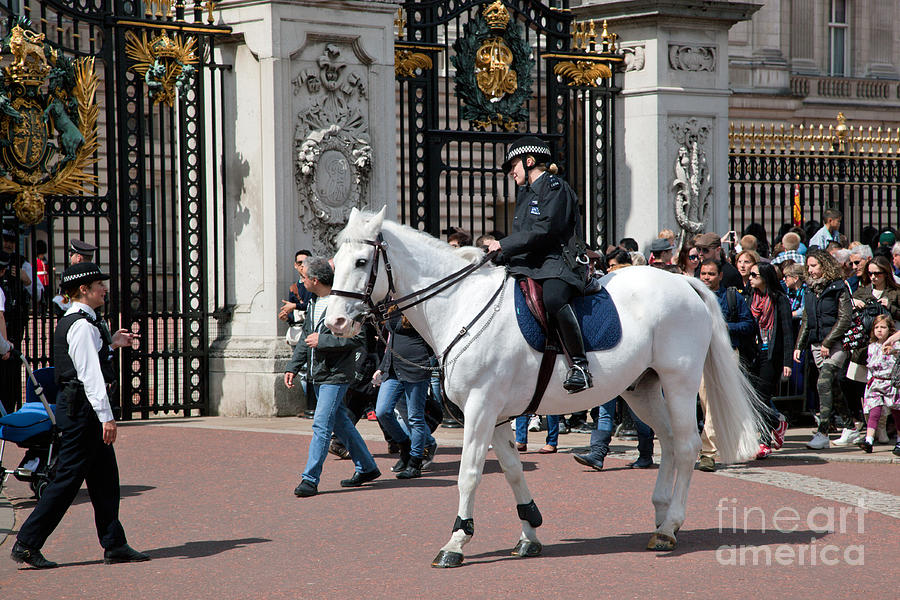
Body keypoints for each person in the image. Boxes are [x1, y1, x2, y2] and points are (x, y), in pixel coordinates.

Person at [11, 262, 148, 569]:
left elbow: (86, 358)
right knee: (67, 481)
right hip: (84, 412)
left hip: (82, 410)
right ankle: (27, 543)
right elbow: (89, 375)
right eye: (99, 284)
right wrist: (106, 416)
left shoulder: (83, 321)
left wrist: (111, 342)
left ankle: (114, 544)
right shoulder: (82, 325)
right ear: (84, 290)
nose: (104, 288)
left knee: (105, 480)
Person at [487, 136, 592, 393]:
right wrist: (501, 255)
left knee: (554, 298)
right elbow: (526, 239)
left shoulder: (555, 187)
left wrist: (504, 244)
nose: (512, 172)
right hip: (532, 264)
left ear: (529, 161)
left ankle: (580, 365)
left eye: (514, 165)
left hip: (559, 263)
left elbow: (546, 230)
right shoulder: (526, 194)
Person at [284, 257, 380, 497]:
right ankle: (367, 467)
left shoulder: (344, 304)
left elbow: (357, 339)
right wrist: (292, 367)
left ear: (315, 280)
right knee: (341, 424)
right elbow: (306, 340)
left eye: (304, 277)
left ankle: (310, 479)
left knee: (321, 424)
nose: (301, 280)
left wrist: (323, 340)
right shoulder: (314, 302)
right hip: (319, 374)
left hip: (336, 375)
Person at [696, 258, 756, 472]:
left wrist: (723, 327)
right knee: (705, 404)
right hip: (701, 357)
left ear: (720, 276)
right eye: (703, 273)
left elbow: (749, 324)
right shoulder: (693, 297)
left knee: (713, 405)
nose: (706, 278)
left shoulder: (732, 297)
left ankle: (708, 453)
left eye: (711, 274)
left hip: (727, 354)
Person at [794, 249, 853, 449]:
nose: (810, 270)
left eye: (814, 266)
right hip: (816, 344)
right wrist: (799, 345)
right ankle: (851, 426)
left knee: (823, 382)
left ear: (824, 266)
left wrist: (828, 342)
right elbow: (806, 319)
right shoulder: (809, 289)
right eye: (808, 266)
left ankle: (823, 432)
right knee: (831, 386)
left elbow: (845, 318)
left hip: (836, 343)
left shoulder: (838, 287)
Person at [372, 309, 438, 479]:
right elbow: (391, 341)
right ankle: (405, 448)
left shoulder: (418, 308)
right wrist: (382, 366)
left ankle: (415, 462)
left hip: (415, 367)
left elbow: (434, 339)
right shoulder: (392, 306)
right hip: (393, 368)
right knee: (382, 411)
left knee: (414, 417)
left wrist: (425, 360)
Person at [747, 263, 792, 458]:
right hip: (755, 353)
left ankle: (764, 441)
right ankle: (777, 422)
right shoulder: (751, 297)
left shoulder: (779, 299)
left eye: (754, 274)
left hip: (772, 354)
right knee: (753, 397)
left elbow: (788, 331)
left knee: (762, 398)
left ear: (765, 277)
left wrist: (787, 362)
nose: (750, 277)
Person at [856, 315, 900, 455]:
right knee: (874, 411)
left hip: (891, 382)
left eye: (883, 327)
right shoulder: (871, 347)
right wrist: (869, 382)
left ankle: (899, 441)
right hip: (875, 382)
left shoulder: (896, 344)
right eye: (877, 327)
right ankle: (869, 440)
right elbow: (870, 366)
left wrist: (893, 351)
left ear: (890, 329)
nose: (879, 330)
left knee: (896, 412)